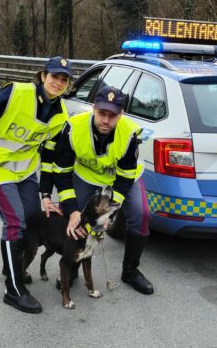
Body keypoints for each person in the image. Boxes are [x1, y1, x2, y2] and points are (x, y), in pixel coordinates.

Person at [0, 56, 73, 314]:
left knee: (33, 218)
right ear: (43, 75)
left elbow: (48, 155)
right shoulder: (14, 93)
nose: (58, 82)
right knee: (15, 222)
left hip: (24, 172)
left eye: (64, 79)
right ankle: (13, 289)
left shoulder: (60, 114)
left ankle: (10, 264)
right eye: (55, 76)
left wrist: (46, 194)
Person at [53, 85, 154, 295]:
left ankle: (131, 271)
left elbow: (125, 178)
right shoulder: (73, 127)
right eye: (101, 113)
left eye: (112, 115)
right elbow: (62, 172)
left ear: (121, 114)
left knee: (141, 214)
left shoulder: (129, 133)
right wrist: (72, 210)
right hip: (86, 175)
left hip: (122, 177)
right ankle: (72, 266)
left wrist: (112, 211)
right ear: (93, 108)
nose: (106, 120)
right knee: (71, 214)